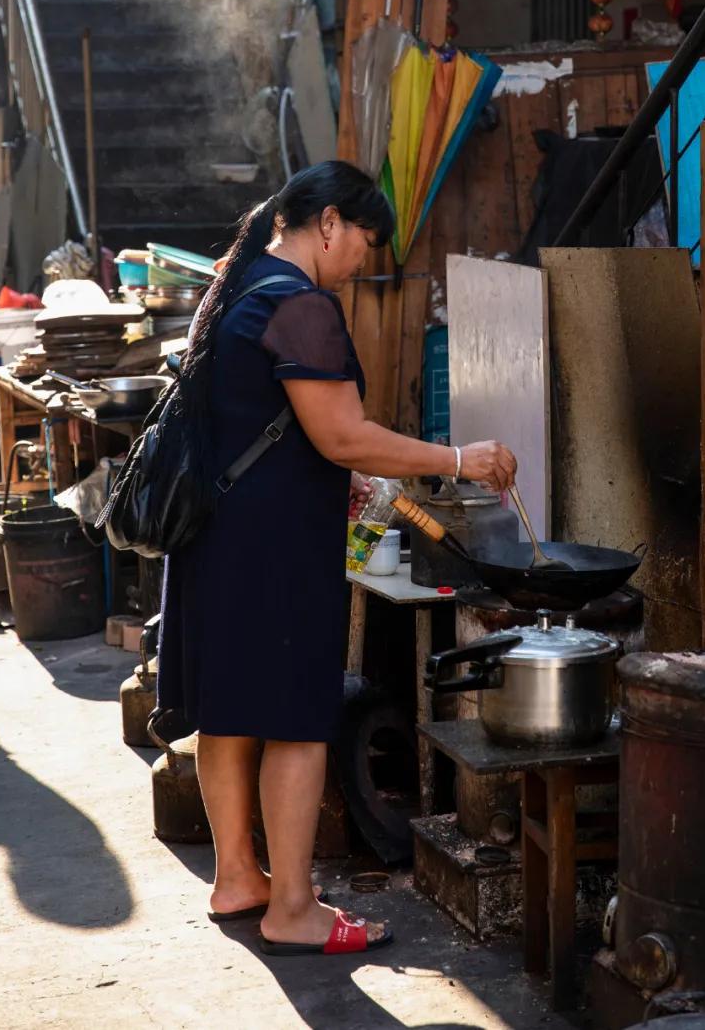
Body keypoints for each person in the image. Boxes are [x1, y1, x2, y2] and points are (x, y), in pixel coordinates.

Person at [156, 160, 517, 959]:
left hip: (216, 537)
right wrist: (459, 457)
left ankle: (238, 878)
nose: (364, 260)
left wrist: (340, 467)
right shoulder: (302, 305)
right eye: (364, 240)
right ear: (327, 223)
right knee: (296, 719)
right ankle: (292, 907)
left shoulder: (239, 286)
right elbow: (342, 432)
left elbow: (262, 418)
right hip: (274, 546)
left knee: (230, 710)